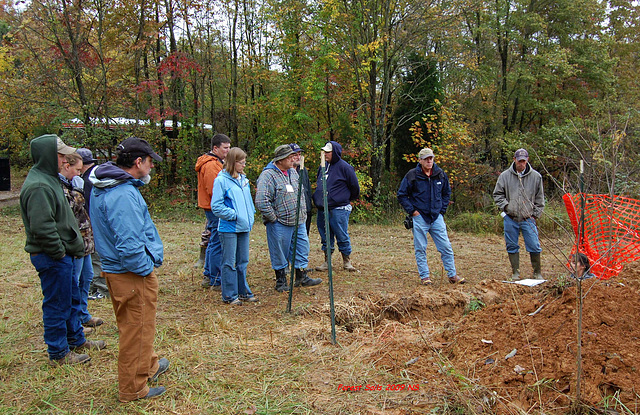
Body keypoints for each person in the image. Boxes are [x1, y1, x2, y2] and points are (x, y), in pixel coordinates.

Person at [90, 137, 169, 402]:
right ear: (138, 162)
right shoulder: (122, 194)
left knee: (137, 325)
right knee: (136, 328)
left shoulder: (109, 186)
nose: (151, 167)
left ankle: (148, 365)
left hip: (120, 270)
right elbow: (129, 243)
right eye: (150, 162)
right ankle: (133, 388)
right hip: (131, 273)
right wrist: (146, 269)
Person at [19, 134, 106, 366]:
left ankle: (75, 339)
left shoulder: (49, 180)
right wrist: (59, 252)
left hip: (63, 254)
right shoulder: (39, 185)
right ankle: (58, 353)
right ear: (49, 156)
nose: (64, 159)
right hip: (52, 256)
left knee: (69, 299)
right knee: (57, 304)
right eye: (60, 155)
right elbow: (42, 227)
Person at [256, 145, 322, 292]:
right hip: (279, 223)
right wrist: (274, 218)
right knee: (279, 251)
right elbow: (261, 201)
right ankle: (281, 281)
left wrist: (303, 214)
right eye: (290, 157)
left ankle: (301, 276)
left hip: (298, 221)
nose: (294, 159)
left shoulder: (293, 172)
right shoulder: (268, 176)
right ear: (280, 160)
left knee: (302, 248)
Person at [397, 148, 465, 285]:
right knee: (420, 248)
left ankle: (452, 275)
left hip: (436, 217)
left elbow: (446, 193)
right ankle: (425, 277)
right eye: (426, 159)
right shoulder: (412, 175)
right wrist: (413, 212)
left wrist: (442, 210)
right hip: (419, 217)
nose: (429, 161)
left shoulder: (440, 174)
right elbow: (402, 195)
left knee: (446, 247)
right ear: (420, 160)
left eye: (431, 158)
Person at [59, 152, 104, 330]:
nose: (79, 174)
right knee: (74, 281)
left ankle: (82, 314)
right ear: (66, 166)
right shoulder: (62, 187)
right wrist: (77, 191)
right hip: (73, 242)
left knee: (86, 277)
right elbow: (69, 210)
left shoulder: (74, 184)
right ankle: (73, 322)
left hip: (84, 240)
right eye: (77, 170)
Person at [210, 147, 258, 305]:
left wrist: (250, 214)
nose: (244, 165)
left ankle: (243, 291)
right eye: (241, 163)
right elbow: (216, 206)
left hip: (244, 227)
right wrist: (234, 215)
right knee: (229, 262)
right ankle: (230, 295)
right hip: (229, 228)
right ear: (233, 163)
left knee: (243, 260)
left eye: (245, 162)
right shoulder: (221, 181)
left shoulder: (244, 180)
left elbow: (248, 202)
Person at [493, 148, 545, 280]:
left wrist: (535, 215)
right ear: (514, 159)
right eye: (519, 161)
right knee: (511, 245)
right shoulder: (504, 176)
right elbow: (497, 194)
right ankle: (515, 272)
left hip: (528, 218)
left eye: (524, 161)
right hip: (510, 218)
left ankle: (537, 272)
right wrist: (506, 207)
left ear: (527, 160)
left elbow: (540, 198)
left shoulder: (536, 177)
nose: (521, 164)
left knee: (534, 244)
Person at [312, 141, 360, 272]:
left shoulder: (345, 167)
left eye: (328, 152)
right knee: (325, 235)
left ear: (335, 153)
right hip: (323, 208)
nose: (325, 154)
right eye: (324, 151)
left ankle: (347, 261)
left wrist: (342, 199)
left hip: (339, 209)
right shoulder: (322, 167)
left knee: (341, 234)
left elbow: (355, 188)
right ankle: (327, 261)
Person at [195, 133, 231, 288]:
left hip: (215, 207)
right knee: (217, 242)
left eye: (229, 147)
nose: (228, 151)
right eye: (225, 148)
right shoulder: (210, 165)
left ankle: (210, 275)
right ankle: (214, 278)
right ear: (215, 148)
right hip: (214, 208)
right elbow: (213, 190)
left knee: (214, 241)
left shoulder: (217, 162)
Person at [77, 148, 109, 300]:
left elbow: (89, 206)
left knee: (97, 258)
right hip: (100, 224)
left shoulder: (88, 180)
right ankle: (95, 287)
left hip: (95, 225)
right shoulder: (97, 174)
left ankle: (102, 289)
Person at [290, 143, 313, 236]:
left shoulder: (303, 170)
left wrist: (309, 208)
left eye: (299, 154)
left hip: (305, 211)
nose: (298, 157)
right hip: (291, 214)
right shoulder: (284, 173)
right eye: (295, 155)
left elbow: (308, 190)